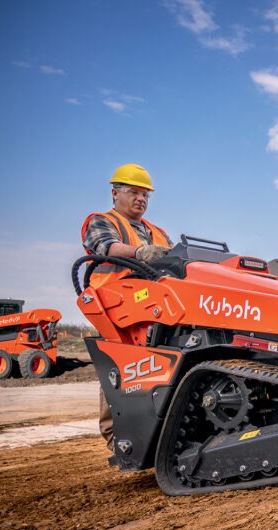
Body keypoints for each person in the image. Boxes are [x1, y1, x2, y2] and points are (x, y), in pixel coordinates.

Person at [81, 163, 173, 451]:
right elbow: (104, 247)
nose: (141, 199)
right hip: (118, 305)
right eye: (134, 192)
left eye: (145, 194)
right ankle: (117, 436)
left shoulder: (156, 231)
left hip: (156, 305)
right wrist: (139, 252)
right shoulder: (102, 221)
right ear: (115, 193)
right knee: (121, 366)